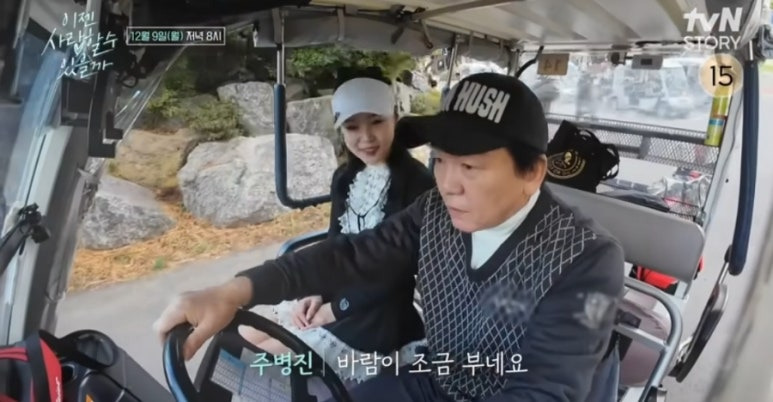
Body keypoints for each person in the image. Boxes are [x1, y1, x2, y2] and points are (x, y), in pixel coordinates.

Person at [154, 72, 625, 402]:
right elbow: (351, 257)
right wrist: (233, 291)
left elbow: (543, 390)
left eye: (470, 166)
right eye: (440, 160)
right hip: (441, 376)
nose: (448, 183)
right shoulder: (434, 211)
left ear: (533, 173)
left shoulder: (586, 259)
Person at [237, 66, 434, 383]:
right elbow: (334, 244)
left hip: (378, 316)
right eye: (352, 126)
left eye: (377, 122)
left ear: (395, 118)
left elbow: (398, 269)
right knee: (244, 336)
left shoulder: (418, 183)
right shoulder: (344, 178)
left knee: (261, 360)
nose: (366, 138)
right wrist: (315, 292)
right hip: (337, 295)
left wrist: (335, 309)